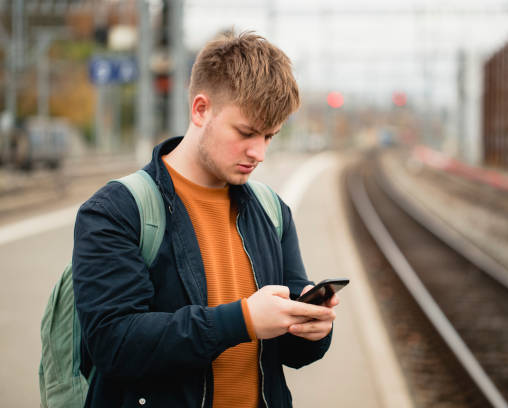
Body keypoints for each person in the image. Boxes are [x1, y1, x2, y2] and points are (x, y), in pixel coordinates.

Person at [72, 31, 339, 408]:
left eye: (270, 136)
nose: (259, 152)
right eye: (246, 132)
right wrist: (243, 319)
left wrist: (314, 329)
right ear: (201, 110)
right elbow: (114, 344)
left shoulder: (272, 211)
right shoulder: (116, 211)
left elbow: (292, 355)